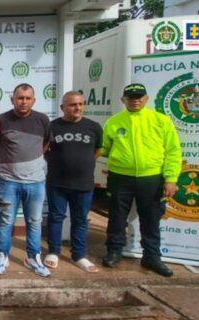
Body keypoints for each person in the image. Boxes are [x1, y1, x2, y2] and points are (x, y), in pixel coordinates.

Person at [101, 83, 182, 277]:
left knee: (151, 219)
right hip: (120, 178)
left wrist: (171, 179)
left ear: (146, 99)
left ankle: (152, 257)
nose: (135, 100)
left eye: (139, 97)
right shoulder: (113, 122)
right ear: (123, 100)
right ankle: (114, 251)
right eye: (131, 97)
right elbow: (104, 148)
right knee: (116, 217)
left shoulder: (161, 121)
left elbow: (173, 151)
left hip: (151, 178)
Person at [0, 83, 52, 278]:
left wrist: (30, 163)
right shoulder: (2, 120)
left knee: (34, 221)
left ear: (33, 100)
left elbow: (45, 144)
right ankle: (2, 255)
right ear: (12, 99)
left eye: (27, 98)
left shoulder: (42, 120)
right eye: (20, 98)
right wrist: (11, 163)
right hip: (9, 181)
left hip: (36, 182)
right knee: (6, 220)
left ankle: (33, 258)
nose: (23, 102)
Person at [45, 91, 102, 273]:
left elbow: (97, 150)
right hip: (57, 182)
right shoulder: (52, 126)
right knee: (55, 218)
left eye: (80, 104)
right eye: (72, 105)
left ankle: (79, 255)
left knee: (80, 220)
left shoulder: (93, 127)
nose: (77, 108)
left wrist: (82, 164)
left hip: (84, 184)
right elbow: (45, 150)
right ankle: (53, 251)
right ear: (63, 107)